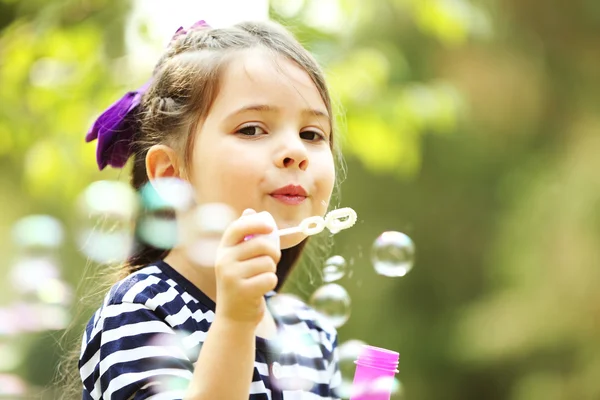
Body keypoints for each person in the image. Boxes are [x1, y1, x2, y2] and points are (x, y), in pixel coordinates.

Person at [79, 19, 343, 400]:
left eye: (312, 134)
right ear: (171, 176)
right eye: (252, 129)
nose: (297, 152)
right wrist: (235, 322)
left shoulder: (311, 334)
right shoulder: (143, 310)